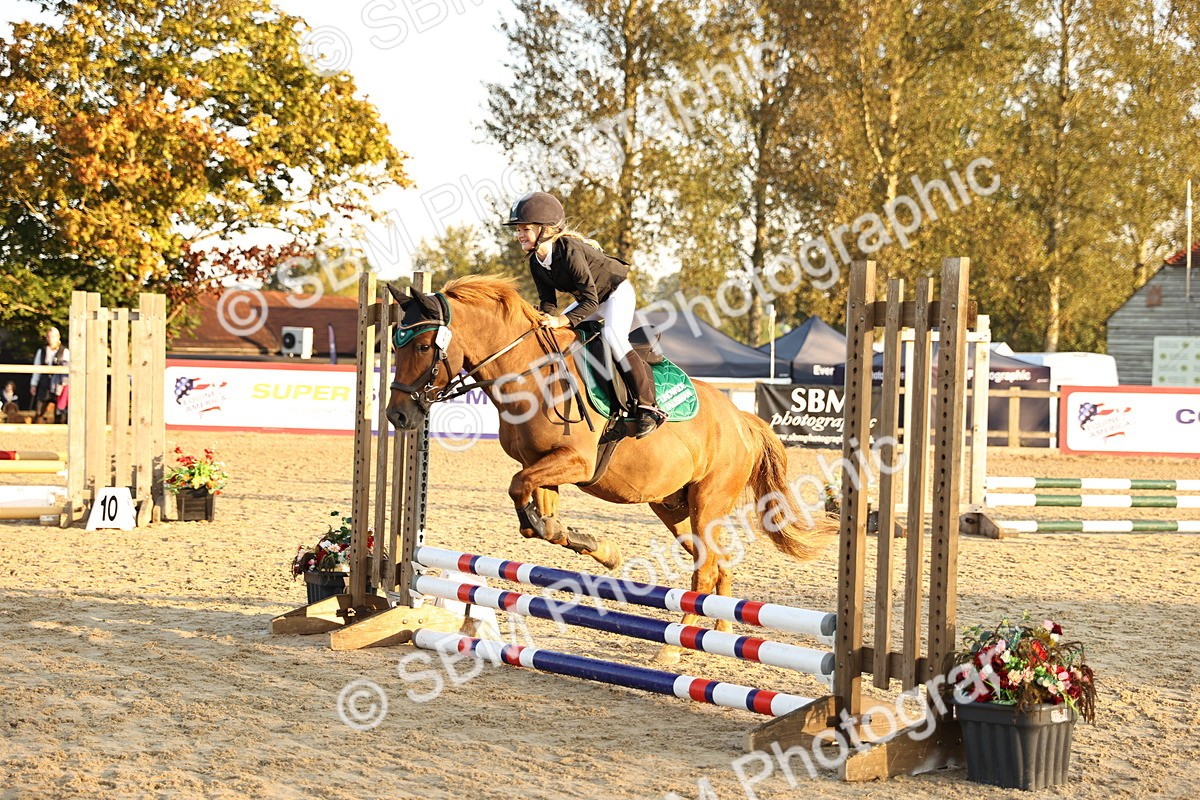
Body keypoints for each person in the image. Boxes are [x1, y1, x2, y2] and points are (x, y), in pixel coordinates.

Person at [503, 191, 665, 438]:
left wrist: (560, 320)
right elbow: (548, 303)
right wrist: (543, 319)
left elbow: (590, 301)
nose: (519, 235)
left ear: (546, 229)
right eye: (518, 230)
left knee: (613, 337)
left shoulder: (569, 250)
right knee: (557, 335)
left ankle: (649, 407)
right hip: (591, 301)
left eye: (525, 229)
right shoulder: (536, 261)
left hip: (615, 294)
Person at [30, 325, 69, 424]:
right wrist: (33, 384)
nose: (51, 338)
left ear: (58, 337)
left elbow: (68, 370)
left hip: (59, 386)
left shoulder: (65, 352)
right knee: (39, 412)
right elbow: (36, 369)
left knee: (60, 414)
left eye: (53, 336)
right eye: (49, 336)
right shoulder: (41, 351)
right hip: (44, 384)